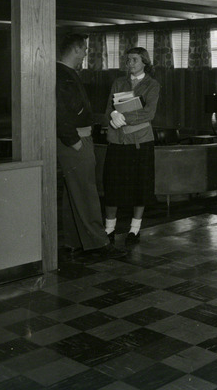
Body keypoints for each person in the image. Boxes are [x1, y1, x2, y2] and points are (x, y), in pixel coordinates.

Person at [56, 34, 126, 259]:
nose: (86, 54)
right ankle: (98, 244)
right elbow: (59, 113)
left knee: (73, 192)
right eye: (84, 50)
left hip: (77, 138)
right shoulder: (61, 75)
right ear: (76, 49)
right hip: (75, 140)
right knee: (86, 191)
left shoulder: (66, 73)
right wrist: (74, 141)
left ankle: (74, 242)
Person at [103, 47, 160, 246]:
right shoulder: (118, 82)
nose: (130, 64)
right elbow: (108, 108)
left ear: (145, 61)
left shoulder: (152, 85)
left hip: (140, 142)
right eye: (128, 60)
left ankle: (134, 229)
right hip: (117, 140)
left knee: (140, 187)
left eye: (134, 60)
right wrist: (112, 115)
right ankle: (109, 228)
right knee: (113, 186)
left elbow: (149, 113)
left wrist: (123, 116)